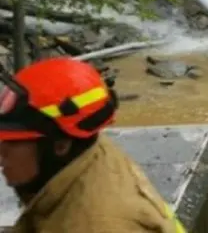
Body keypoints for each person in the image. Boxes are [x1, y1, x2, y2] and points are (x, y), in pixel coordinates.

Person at [0, 57, 186, 232]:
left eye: (12, 142)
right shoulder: (87, 153)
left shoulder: (97, 224)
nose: (1, 153)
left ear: (60, 145)